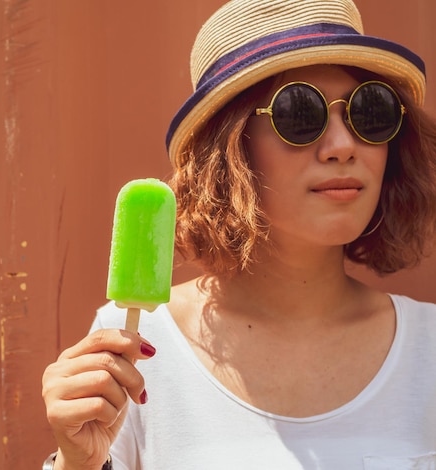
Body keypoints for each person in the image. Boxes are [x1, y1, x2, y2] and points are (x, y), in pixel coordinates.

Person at [41, 0, 436, 468]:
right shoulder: (131, 349)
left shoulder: (428, 349)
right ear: (229, 151)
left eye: (369, 110)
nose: (344, 146)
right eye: (299, 113)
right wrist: (76, 462)